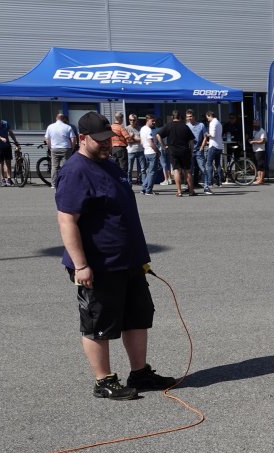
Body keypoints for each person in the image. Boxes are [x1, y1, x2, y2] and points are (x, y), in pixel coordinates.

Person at [54, 112, 176, 400]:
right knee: (100, 324)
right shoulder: (75, 170)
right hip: (98, 263)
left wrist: (139, 255)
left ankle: (140, 372)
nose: (106, 144)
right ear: (82, 139)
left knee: (137, 317)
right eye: (99, 141)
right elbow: (67, 220)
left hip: (129, 260)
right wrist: (81, 265)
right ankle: (103, 380)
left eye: (108, 139)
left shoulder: (109, 165)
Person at [155, 111, 196, 196]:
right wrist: (191, 151)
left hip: (173, 150)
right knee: (187, 171)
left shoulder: (168, 125)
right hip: (185, 150)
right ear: (180, 117)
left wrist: (164, 146)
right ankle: (191, 191)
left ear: (172, 117)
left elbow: (158, 135)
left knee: (176, 170)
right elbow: (191, 141)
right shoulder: (185, 126)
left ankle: (179, 191)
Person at [44, 113, 77, 184]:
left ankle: (53, 183)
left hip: (54, 148)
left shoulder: (50, 126)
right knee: (65, 166)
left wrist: (50, 147)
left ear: (56, 118)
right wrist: (72, 147)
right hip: (66, 148)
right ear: (63, 119)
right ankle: (65, 182)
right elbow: (73, 139)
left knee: (54, 166)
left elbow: (47, 139)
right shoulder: (68, 127)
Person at [201, 110, 222, 194]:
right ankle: (219, 182)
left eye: (207, 117)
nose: (207, 119)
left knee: (208, 163)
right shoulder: (219, 123)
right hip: (219, 145)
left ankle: (209, 182)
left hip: (213, 146)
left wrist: (206, 134)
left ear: (209, 115)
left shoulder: (212, 123)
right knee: (217, 164)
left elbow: (212, 134)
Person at [0, 119, 19, 186]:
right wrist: (1, 138)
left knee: (8, 163)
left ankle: (9, 179)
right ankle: (3, 179)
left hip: (7, 145)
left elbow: (10, 132)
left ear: (0, 121)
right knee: (1, 163)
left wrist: (15, 141)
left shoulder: (5, 123)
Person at [139, 114, 159, 195]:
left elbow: (141, 141)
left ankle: (144, 188)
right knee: (152, 172)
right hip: (152, 152)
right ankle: (148, 190)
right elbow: (151, 142)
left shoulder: (142, 129)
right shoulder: (148, 130)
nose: (154, 122)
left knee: (149, 172)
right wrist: (157, 151)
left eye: (154, 121)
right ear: (147, 120)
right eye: (152, 121)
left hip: (146, 152)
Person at [185, 109, 206, 188]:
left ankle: (205, 185)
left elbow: (205, 137)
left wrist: (201, 147)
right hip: (189, 151)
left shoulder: (201, 125)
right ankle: (189, 187)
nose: (189, 118)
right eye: (187, 117)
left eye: (190, 116)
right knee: (189, 170)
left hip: (198, 150)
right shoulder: (186, 126)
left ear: (194, 116)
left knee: (201, 168)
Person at [125, 114, 144, 185]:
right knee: (129, 169)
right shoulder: (126, 128)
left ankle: (140, 181)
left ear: (136, 120)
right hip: (131, 151)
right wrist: (135, 139)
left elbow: (143, 139)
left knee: (142, 169)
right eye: (130, 120)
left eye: (133, 120)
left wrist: (132, 137)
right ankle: (129, 183)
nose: (132, 121)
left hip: (140, 150)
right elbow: (127, 141)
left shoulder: (140, 128)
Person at [250, 117, 267, 185]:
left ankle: (261, 179)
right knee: (257, 165)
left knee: (261, 165)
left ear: (259, 123)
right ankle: (258, 178)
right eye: (254, 123)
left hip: (260, 150)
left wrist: (254, 142)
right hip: (255, 150)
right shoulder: (254, 131)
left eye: (256, 123)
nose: (254, 124)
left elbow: (263, 141)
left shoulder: (262, 131)